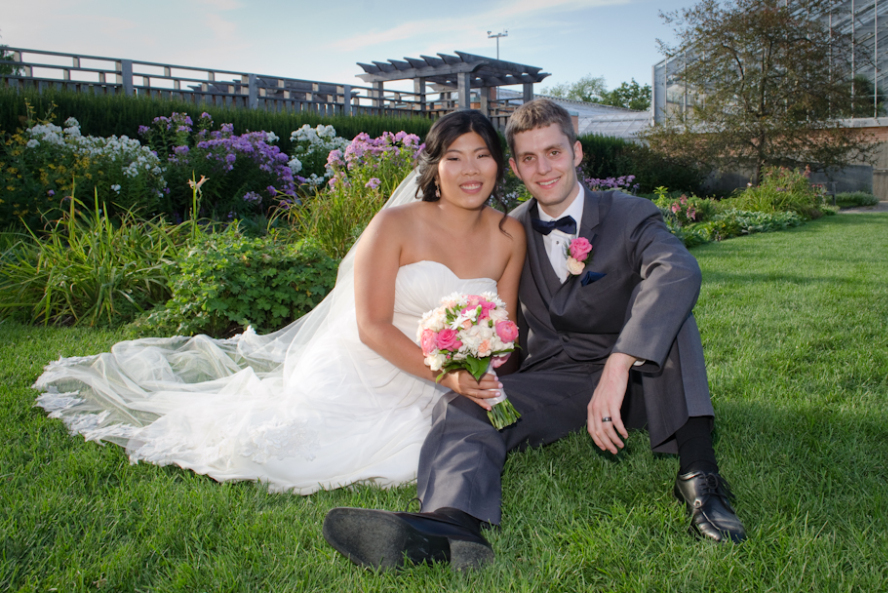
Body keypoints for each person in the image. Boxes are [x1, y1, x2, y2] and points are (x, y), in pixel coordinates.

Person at [322, 99, 746, 571]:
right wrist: (483, 375)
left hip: (642, 384)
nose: (543, 168)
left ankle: (700, 480)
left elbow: (678, 270)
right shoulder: (511, 229)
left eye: (554, 153)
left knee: (672, 312)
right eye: (529, 158)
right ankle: (451, 522)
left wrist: (619, 363)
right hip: (559, 381)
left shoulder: (629, 213)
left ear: (576, 152)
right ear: (516, 167)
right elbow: (505, 326)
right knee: (466, 403)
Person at [33, 110, 526, 494]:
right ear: (434, 168)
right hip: (367, 365)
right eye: (454, 157)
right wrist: (447, 374)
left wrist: (482, 364)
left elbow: (503, 328)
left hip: (442, 384)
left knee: (428, 448)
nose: (469, 170)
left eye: (481, 155)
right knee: (298, 451)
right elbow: (372, 326)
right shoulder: (395, 225)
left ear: (498, 165)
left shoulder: (508, 234)